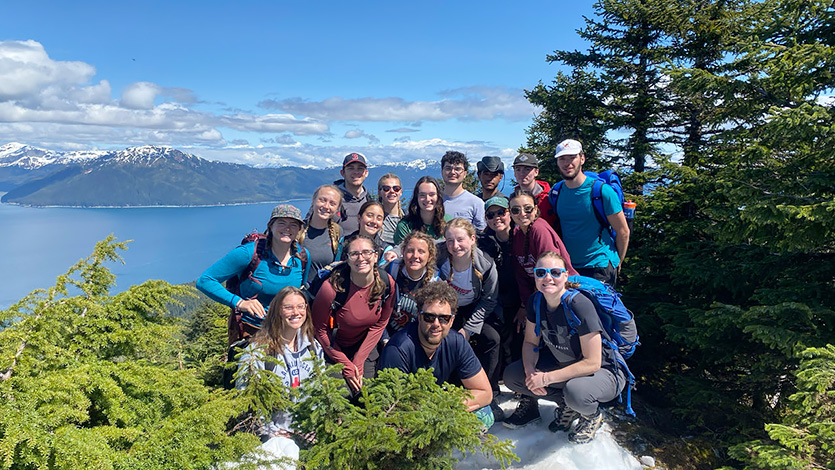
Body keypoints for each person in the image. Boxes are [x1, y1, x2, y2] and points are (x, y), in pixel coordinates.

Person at [503, 252, 626, 444]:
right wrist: (530, 373)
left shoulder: (578, 305)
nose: (548, 278)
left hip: (605, 371)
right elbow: (530, 343)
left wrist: (546, 378)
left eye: (555, 272)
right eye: (541, 272)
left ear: (565, 275)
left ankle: (591, 416)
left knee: (576, 392)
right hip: (565, 364)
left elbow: (593, 363)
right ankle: (567, 405)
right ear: (534, 276)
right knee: (514, 376)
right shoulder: (536, 301)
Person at [379, 281, 494, 428]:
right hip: (409, 419)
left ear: (451, 321)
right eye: (429, 317)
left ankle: (457, 450)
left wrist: (449, 405)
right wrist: (442, 409)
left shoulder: (457, 342)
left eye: (443, 318)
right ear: (419, 317)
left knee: (485, 415)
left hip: (440, 407)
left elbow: (485, 393)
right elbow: (393, 408)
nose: (436, 324)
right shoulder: (398, 349)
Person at [235, 286, 323, 465]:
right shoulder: (258, 352)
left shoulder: (314, 348)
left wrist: (316, 426)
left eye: (300, 306)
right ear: (277, 312)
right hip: (272, 442)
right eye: (288, 307)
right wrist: (270, 432)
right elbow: (246, 400)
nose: (296, 312)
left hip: (308, 437)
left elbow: (320, 392)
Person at [197, 204, 310, 341]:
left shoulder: (302, 257)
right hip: (251, 331)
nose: (287, 228)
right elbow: (205, 280)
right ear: (271, 226)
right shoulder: (250, 253)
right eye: (281, 223)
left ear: (299, 229)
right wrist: (240, 303)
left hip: (288, 332)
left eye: (293, 224)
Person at [311, 235, 395, 394]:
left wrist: (358, 361)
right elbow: (320, 330)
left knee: (367, 395)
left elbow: (380, 324)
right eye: (354, 254)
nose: (361, 258)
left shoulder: (387, 283)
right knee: (343, 398)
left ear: (376, 256)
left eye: (366, 252)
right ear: (347, 259)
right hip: (333, 348)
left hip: (365, 346)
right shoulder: (331, 289)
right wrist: (345, 364)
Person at [437, 218, 503, 420]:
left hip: (474, 308)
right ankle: (450, 391)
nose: (455, 246)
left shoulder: (485, 265)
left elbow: (489, 300)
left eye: (460, 240)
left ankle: (490, 392)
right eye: (450, 240)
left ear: (472, 239)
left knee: (491, 339)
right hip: (446, 309)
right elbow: (414, 247)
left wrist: (469, 329)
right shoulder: (439, 257)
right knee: (445, 341)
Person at [553, 139, 630, 287]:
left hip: (599, 265)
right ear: (557, 162)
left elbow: (623, 231)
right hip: (569, 267)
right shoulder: (556, 192)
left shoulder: (602, 191)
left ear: (582, 159)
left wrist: (617, 262)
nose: (567, 163)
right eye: (562, 158)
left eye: (572, 157)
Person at [509, 189, 577, 333]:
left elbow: (552, 273)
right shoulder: (517, 235)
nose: (522, 214)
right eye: (516, 210)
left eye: (527, 208)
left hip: (563, 295)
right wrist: (527, 308)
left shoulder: (539, 230)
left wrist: (542, 311)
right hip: (545, 297)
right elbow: (522, 277)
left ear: (535, 209)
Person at [476, 196, 521, 377]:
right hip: (496, 302)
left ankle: (523, 386)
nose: (497, 218)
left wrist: (525, 306)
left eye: (501, 212)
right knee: (493, 338)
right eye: (491, 215)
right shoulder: (484, 242)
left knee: (519, 336)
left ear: (509, 213)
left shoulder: (522, 237)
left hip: (520, 301)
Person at [383, 231, 441, 338]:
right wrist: (384, 339)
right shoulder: (390, 270)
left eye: (421, 251)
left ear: (430, 256)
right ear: (403, 253)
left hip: (416, 337)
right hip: (385, 332)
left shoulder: (435, 281)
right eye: (410, 251)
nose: (415, 256)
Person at [298, 185, 343, 283]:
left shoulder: (337, 232)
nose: (326, 206)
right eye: (322, 200)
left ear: (337, 208)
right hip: (298, 293)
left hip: (322, 293)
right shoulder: (298, 229)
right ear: (313, 201)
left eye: (332, 203)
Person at [393, 176, 451, 245]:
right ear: (416, 198)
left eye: (431, 194)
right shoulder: (405, 226)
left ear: (438, 197)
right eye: (422, 195)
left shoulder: (448, 222)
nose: (427, 199)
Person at [440, 151, 486, 231]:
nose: (452, 172)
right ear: (442, 172)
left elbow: (480, 234)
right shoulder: (433, 201)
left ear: (465, 174)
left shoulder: (476, 203)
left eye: (457, 169)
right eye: (448, 168)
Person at [512, 152, 558, 227]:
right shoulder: (514, 198)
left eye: (527, 169)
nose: (522, 173)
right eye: (518, 169)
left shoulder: (548, 198)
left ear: (536, 172)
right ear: (514, 173)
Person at [334, 152, 373, 234]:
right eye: (351, 168)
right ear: (342, 173)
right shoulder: (331, 200)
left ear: (366, 173)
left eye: (360, 168)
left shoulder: (369, 201)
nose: (356, 172)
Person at [377, 173, 404, 247]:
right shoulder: (375, 219)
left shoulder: (409, 217)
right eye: (386, 188)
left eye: (396, 188)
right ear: (379, 192)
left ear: (401, 192)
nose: (392, 191)